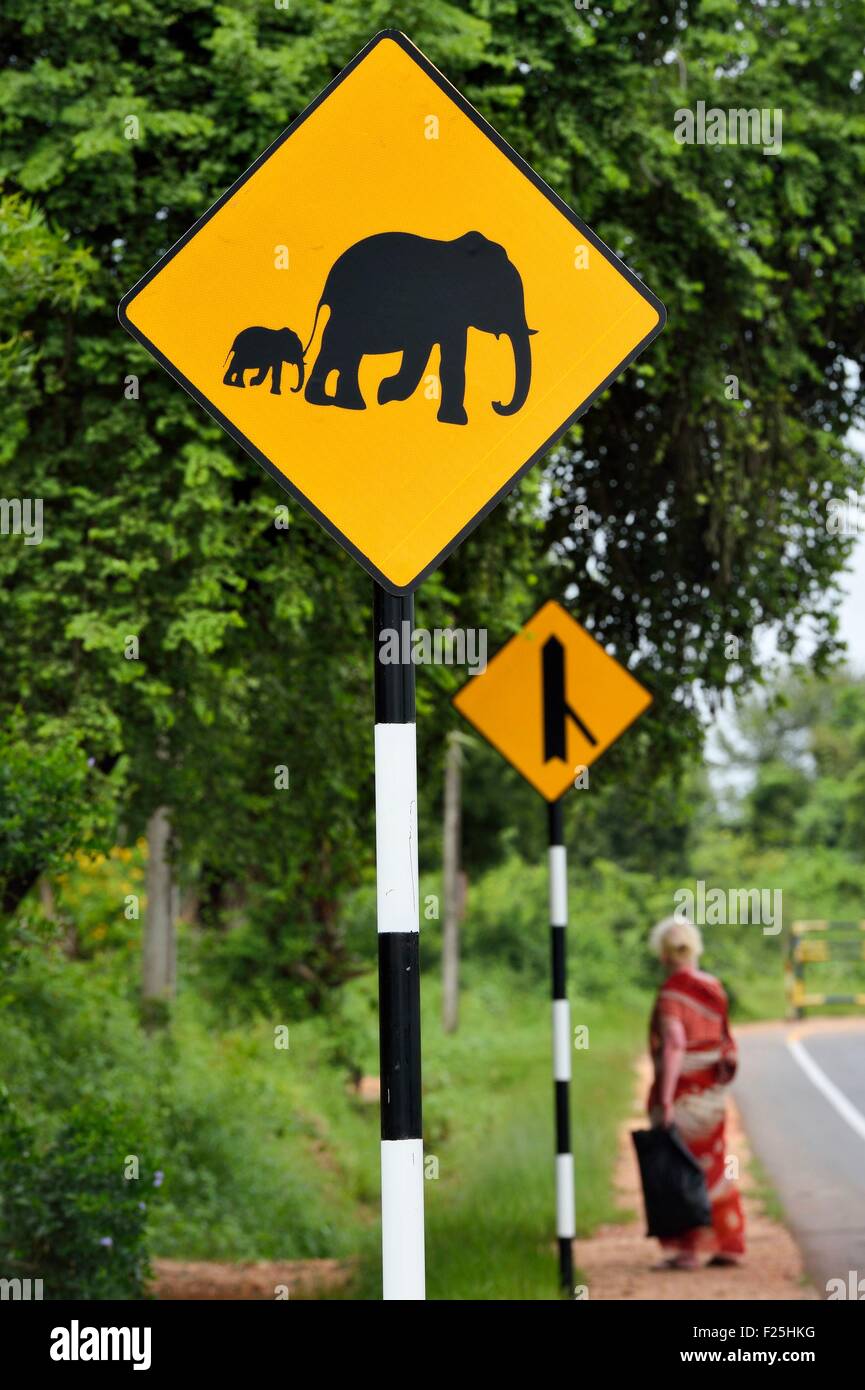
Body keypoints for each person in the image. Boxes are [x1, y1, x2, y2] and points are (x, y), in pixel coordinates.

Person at [647, 916, 746, 1270]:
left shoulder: (672, 993)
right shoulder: (714, 987)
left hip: (686, 1094)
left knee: (680, 1170)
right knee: (714, 1164)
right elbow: (724, 1040)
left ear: (663, 954)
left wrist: (666, 1099)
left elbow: (674, 1044)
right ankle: (729, 1242)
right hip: (713, 1096)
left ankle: (688, 1249)